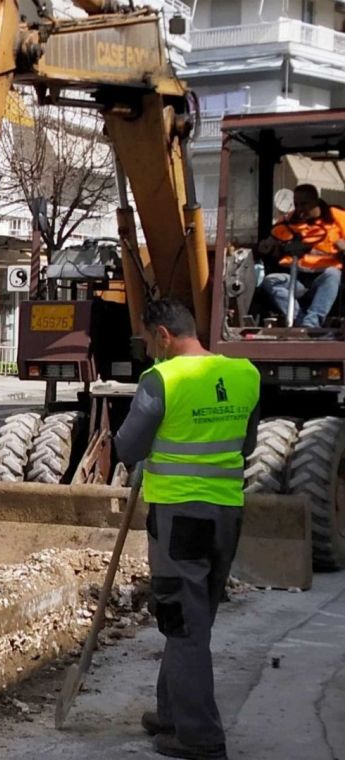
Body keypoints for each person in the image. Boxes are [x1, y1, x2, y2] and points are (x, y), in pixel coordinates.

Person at [114, 299, 260, 760]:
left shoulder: (162, 379)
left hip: (180, 518)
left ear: (163, 335)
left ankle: (199, 737)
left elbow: (127, 447)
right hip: (227, 515)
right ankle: (171, 711)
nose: (147, 349)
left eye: (146, 340)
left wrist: (156, 437)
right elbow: (248, 442)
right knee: (195, 618)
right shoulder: (246, 374)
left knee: (183, 625)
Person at [258, 184, 345, 328]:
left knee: (333, 274)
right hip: (296, 277)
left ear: (316, 201)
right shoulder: (288, 221)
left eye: (304, 204)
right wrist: (265, 247)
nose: (299, 209)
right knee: (270, 281)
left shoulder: (336, 216)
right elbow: (270, 242)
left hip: (323, 278)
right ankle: (301, 323)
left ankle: (311, 323)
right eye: (296, 204)